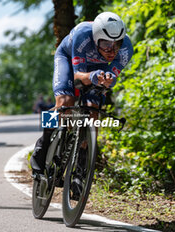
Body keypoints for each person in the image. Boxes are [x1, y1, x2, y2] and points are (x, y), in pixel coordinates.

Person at [30, 12, 133, 192]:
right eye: (106, 44)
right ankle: (42, 144)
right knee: (65, 103)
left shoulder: (126, 49)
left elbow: (113, 78)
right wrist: (93, 76)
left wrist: (108, 78)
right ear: (96, 38)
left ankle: (81, 169)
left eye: (117, 44)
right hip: (68, 59)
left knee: (92, 113)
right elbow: (78, 77)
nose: (112, 50)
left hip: (96, 70)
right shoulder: (82, 34)